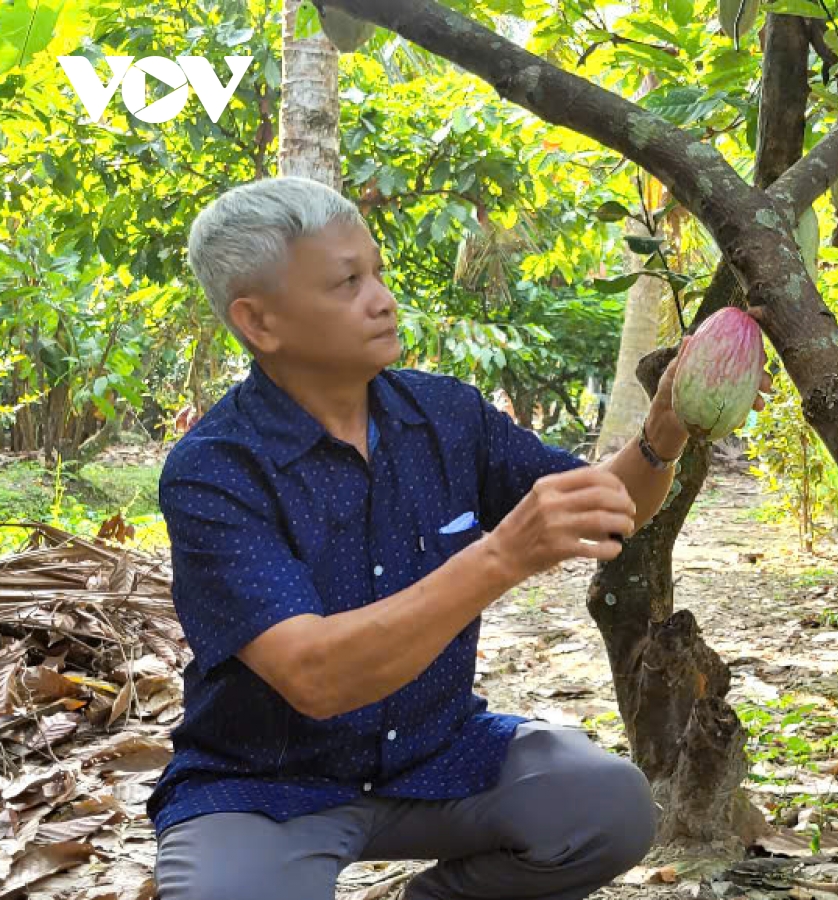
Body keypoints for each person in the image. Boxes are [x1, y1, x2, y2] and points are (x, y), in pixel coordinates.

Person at [152, 175, 767, 900]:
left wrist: (662, 437)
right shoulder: (216, 470)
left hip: (437, 755)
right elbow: (315, 676)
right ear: (260, 323)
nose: (382, 297)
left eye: (376, 271)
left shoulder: (445, 415)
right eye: (347, 283)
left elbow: (606, 507)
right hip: (267, 782)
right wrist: (502, 555)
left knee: (609, 808)